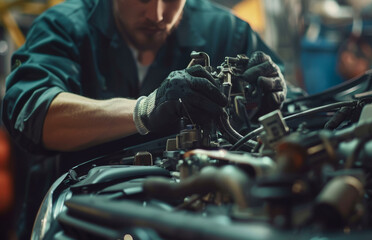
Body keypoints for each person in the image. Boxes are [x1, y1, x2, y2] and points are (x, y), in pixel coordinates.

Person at [1, 0, 287, 238]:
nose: (157, 15)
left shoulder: (228, 31)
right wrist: (145, 110)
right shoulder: (64, 25)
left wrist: (273, 96)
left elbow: (297, 108)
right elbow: (31, 111)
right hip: (82, 220)